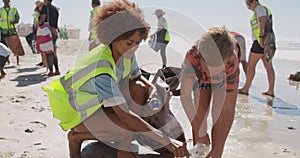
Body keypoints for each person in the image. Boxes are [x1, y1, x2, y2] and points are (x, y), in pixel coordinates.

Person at [42, 1, 189, 158]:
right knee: (126, 128)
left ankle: (123, 147)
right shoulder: (102, 68)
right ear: (112, 37)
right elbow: (125, 115)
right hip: (75, 110)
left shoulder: (126, 54)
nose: (133, 48)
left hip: (98, 103)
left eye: (137, 43)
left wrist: (153, 90)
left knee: (138, 87)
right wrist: (167, 141)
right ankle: (77, 137)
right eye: (129, 43)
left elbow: (138, 78)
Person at [180, 26, 239, 158]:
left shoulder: (231, 63)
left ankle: (215, 154)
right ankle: (199, 152)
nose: (211, 74)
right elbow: (185, 97)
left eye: (215, 70)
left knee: (219, 113)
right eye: (208, 68)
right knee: (200, 110)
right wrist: (199, 131)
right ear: (200, 56)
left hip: (222, 81)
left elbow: (228, 110)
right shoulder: (192, 57)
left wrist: (218, 149)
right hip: (199, 78)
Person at [239, 0, 275, 97]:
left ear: (254, 1)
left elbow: (263, 21)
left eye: (249, 4)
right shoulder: (263, 9)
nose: (249, 7)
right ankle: (271, 91)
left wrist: (261, 37)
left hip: (260, 42)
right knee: (268, 67)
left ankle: (245, 89)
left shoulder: (260, 8)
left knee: (251, 66)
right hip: (266, 42)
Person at [37, 0, 60, 76]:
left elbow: (43, 18)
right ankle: (57, 70)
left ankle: (51, 71)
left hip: (47, 32)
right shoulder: (55, 8)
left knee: (48, 52)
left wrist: (38, 24)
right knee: (53, 51)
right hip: (55, 31)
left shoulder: (44, 7)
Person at [0, 0, 20, 65]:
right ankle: (6, 60)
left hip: (12, 30)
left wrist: (14, 22)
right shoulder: (1, 10)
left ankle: (17, 61)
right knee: (4, 47)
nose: (6, 1)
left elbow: (17, 18)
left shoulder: (14, 9)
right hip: (4, 30)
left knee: (15, 46)